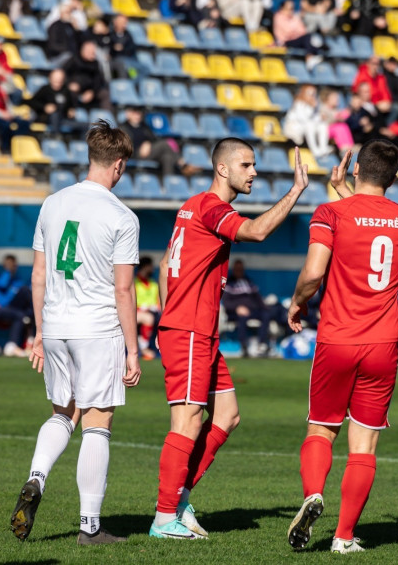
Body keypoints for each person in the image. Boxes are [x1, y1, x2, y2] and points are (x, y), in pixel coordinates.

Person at [149, 139, 309, 540]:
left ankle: (180, 498)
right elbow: (256, 231)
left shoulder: (192, 205)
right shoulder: (211, 207)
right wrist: (295, 191)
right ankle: (164, 519)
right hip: (190, 330)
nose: (254, 172)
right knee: (187, 421)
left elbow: (166, 264)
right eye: (246, 165)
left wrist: (169, 318)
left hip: (196, 331)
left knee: (227, 415)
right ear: (223, 169)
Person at [10, 120, 141, 545]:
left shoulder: (53, 203)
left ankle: (36, 477)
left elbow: (38, 275)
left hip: (56, 326)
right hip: (97, 328)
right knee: (97, 424)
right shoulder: (122, 216)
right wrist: (133, 350)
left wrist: (39, 333)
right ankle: (90, 526)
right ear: (118, 165)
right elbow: (123, 289)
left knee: (63, 414)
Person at [285, 140, 398, 554]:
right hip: (383, 345)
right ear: (393, 178)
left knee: (322, 429)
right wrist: (345, 188)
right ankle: (343, 538)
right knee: (365, 445)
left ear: (356, 168)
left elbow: (313, 272)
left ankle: (313, 493)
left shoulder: (330, 213)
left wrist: (297, 301)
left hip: (338, 339)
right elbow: (371, 219)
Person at [120, 107, 199, 177]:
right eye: (134, 113)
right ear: (128, 114)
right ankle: (183, 164)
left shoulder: (144, 126)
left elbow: (153, 139)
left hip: (150, 152)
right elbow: (124, 147)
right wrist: (139, 149)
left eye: (139, 113)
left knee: (167, 157)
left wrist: (147, 143)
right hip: (136, 154)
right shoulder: (124, 128)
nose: (137, 115)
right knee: (165, 143)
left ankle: (168, 183)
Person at [222, 259, 277, 358]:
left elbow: (258, 298)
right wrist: (237, 308)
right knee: (242, 317)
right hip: (236, 312)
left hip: (252, 310)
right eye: (237, 269)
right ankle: (243, 346)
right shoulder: (229, 283)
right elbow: (226, 302)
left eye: (241, 269)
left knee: (265, 314)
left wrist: (267, 308)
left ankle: (262, 344)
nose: (239, 271)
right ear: (233, 270)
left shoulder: (248, 281)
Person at [26, 69, 86, 137]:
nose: (58, 82)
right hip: (46, 119)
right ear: (50, 79)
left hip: (63, 119)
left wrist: (71, 110)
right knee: (55, 114)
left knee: (86, 126)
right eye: (56, 79)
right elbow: (32, 102)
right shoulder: (45, 89)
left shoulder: (66, 91)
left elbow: (71, 105)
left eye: (60, 80)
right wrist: (44, 107)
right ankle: (56, 137)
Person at [283, 84, 331, 159]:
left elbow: (315, 119)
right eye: (310, 94)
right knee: (309, 125)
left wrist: (319, 116)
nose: (312, 96)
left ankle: (323, 148)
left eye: (313, 94)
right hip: (294, 129)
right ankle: (314, 150)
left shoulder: (315, 104)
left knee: (322, 125)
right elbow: (304, 119)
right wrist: (313, 108)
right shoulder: (298, 103)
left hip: (306, 128)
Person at [64, 40, 112, 111]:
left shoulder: (95, 63)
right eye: (91, 52)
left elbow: (98, 80)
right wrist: (69, 84)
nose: (93, 55)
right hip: (74, 89)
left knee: (104, 94)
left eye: (94, 52)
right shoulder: (73, 60)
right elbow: (62, 74)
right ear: (83, 50)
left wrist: (92, 92)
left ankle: (106, 116)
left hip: (90, 91)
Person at [135, 256, 161, 361]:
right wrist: (142, 307)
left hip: (152, 313)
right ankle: (143, 349)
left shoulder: (154, 284)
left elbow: (158, 303)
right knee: (147, 318)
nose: (152, 269)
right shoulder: (134, 283)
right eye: (150, 266)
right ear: (145, 267)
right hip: (135, 313)